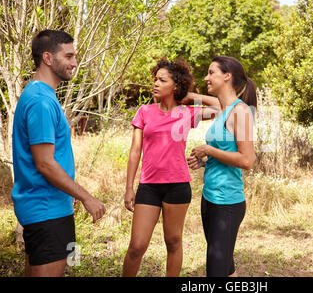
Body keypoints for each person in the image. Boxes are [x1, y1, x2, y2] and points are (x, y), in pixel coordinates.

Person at [11, 29, 106, 277]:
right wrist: (87, 196)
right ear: (48, 58)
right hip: (46, 210)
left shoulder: (39, 95)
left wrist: (69, 189)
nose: (75, 62)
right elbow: (44, 163)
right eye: (69, 56)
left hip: (46, 207)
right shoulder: (40, 101)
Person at [122, 57, 210, 277]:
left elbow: (223, 106)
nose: (155, 83)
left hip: (178, 185)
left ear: (176, 85)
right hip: (149, 186)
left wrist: (189, 96)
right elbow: (135, 152)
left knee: (173, 241)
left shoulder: (186, 112)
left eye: (162, 80)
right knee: (136, 247)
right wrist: (129, 187)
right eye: (155, 79)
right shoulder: (144, 112)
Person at [186, 56, 256, 277]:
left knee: (215, 273)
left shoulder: (241, 111)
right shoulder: (223, 111)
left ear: (227, 76)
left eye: (211, 72)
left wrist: (209, 151)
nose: (206, 77)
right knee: (226, 269)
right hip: (209, 199)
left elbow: (247, 160)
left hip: (227, 203)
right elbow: (226, 154)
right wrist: (205, 161)